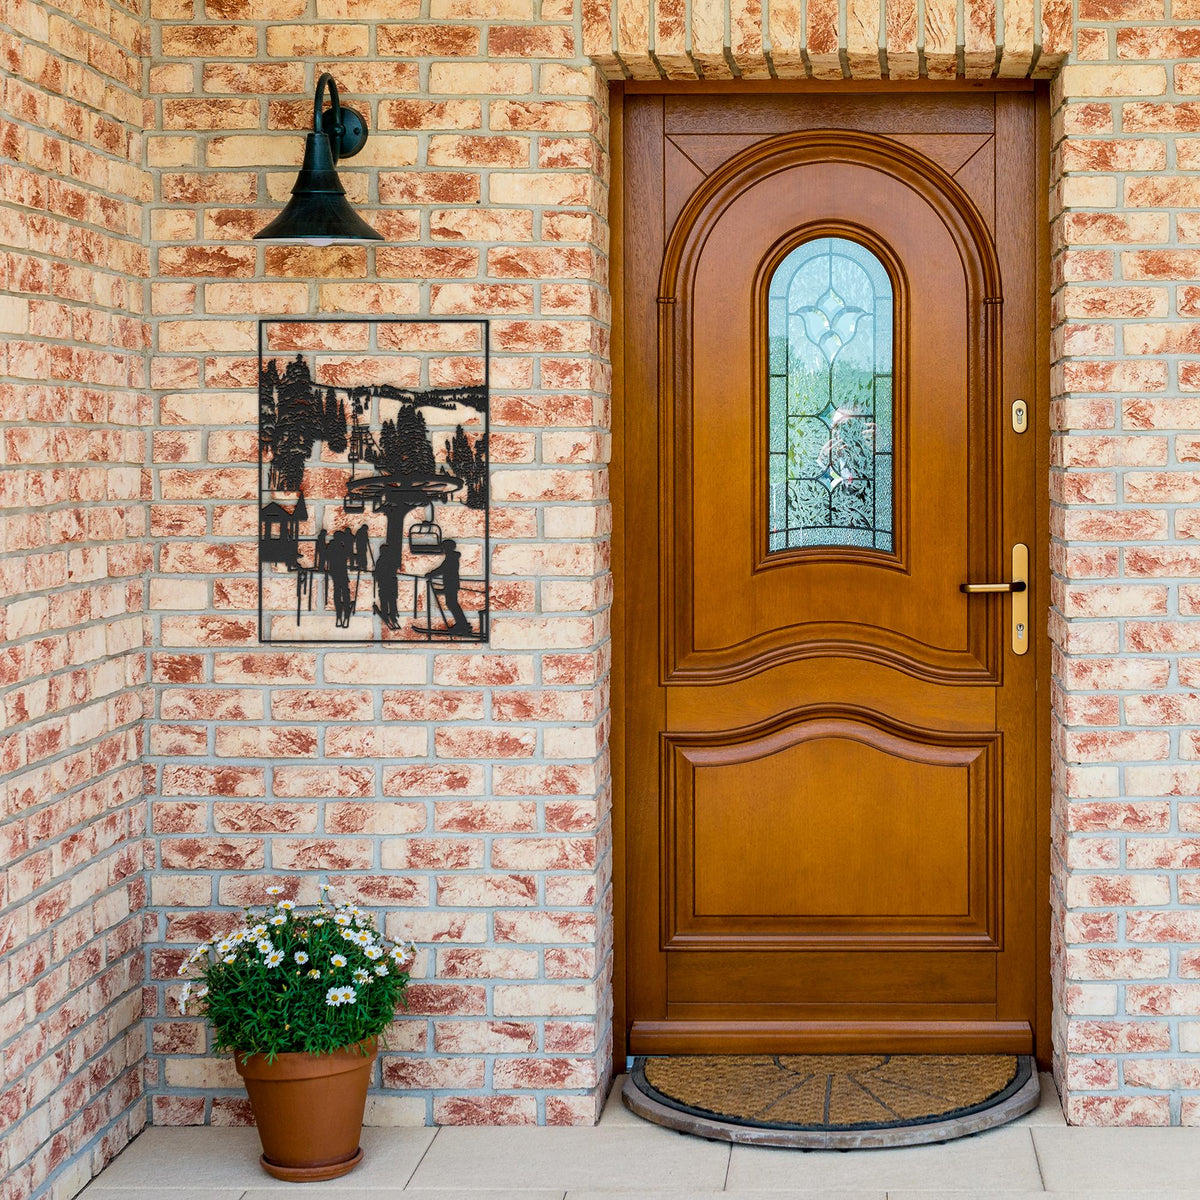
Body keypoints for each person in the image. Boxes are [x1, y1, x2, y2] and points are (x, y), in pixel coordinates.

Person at [427, 539, 472, 636]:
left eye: (444, 548)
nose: (443, 550)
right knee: (452, 604)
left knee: (452, 604)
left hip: (451, 584)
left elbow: (442, 569)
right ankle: (462, 625)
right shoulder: (451, 557)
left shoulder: (451, 558)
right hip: (450, 584)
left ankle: (463, 625)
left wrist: (431, 574)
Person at [327, 528, 353, 627]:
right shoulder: (340, 547)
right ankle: (345, 611)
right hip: (340, 571)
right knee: (344, 591)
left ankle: (339, 614)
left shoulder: (331, 546)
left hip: (334, 571)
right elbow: (347, 555)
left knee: (337, 591)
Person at [374, 540, 399, 628]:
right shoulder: (392, 560)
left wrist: (376, 574)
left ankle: (386, 615)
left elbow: (377, 573)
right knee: (392, 601)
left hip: (384, 584)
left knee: (384, 601)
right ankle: (392, 615)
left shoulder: (380, 561)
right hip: (392, 585)